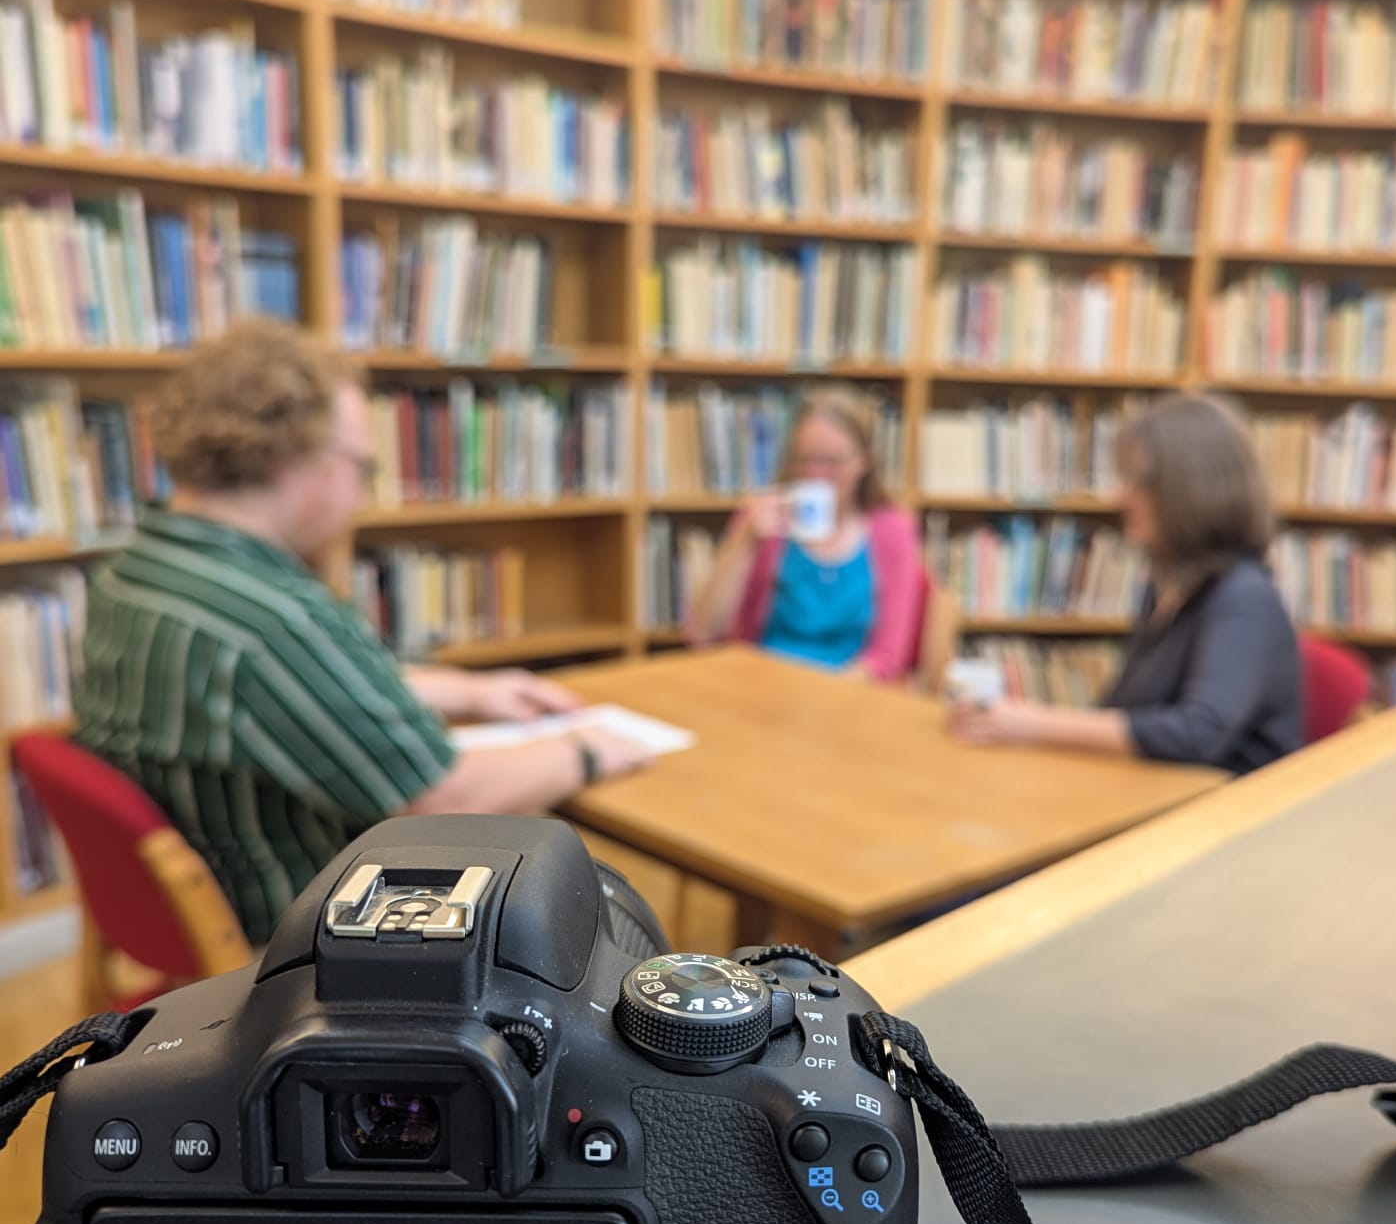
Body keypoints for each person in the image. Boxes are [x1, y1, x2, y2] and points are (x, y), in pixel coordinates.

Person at [74, 320, 652, 944]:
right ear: (299, 458)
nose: (361, 494)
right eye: (361, 467)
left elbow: (271, 699)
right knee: (590, 913)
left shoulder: (141, 569)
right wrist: (589, 748)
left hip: (196, 895)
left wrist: (462, 689)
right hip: (298, 936)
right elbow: (439, 798)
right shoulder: (277, 620)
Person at [949, 395, 1300, 774]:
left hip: (1224, 817)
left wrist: (1028, 724)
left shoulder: (1244, 597)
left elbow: (1200, 734)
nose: (1120, 497)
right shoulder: (1167, 586)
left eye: (1139, 482)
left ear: (1192, 491)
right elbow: (1124, 709)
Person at [684, 388, 925, 681]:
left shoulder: (893, 531)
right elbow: (703, 632)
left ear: (864, 461)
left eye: (831, 462)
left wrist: (823, 696)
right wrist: (744, 543)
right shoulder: (763, 521)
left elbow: (887, 656)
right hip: (763, 685)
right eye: (803, 459)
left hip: (849, 694)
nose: (814, 474)